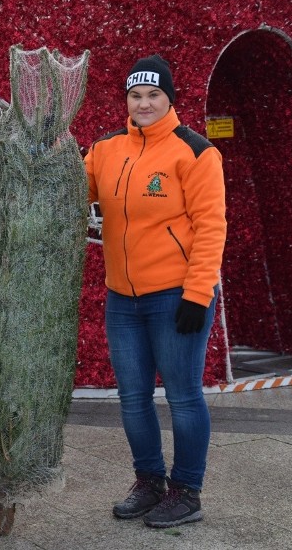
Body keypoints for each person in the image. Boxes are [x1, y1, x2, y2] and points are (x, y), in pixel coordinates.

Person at [84, 55, 226, 528]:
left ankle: (187, 490)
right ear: (126, 100)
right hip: (122, 298)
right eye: (135, 96)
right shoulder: (105, 150)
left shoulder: (196, 151)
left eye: (153, 95)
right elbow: (70, 190)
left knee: (183, 396)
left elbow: (211, 227)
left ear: (169, 98)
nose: (144, 104)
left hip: (175, 295)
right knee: (133, 397)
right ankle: (149, 482)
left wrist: (198, 293)